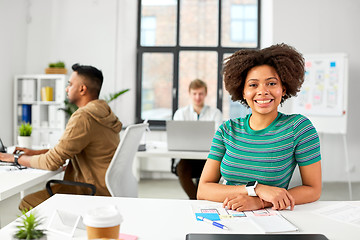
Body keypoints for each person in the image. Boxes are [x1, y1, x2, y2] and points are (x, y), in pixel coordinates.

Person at [197, 43, 322, 211]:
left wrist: (260, 203)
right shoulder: (227, 130)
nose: (262, 91)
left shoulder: (299, 128)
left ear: (283, 89)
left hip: (273, 217)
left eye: (271, 83)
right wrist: (255, 189)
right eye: (253, 85)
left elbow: (313, 189)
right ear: (243, 92)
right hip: (229, 214)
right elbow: (203, 189)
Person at [0, 63, 122, 210]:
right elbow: (67, 149)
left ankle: (56, 231)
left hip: (90, 190)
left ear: (82, 89)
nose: (66, 88)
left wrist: (14, 158)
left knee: (28, 202)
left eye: (70, 84)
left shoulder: (84, 117)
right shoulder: (103, 113)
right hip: (105, 187)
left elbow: (51, 162)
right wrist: (34, 153)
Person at [173, 79, 222, 199]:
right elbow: (177, 136)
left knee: (211, 173)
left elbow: (218, 138)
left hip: (208, 156)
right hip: (187, 156)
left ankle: (199, 198)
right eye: (194, 94)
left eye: (200, 93)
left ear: (205, 94)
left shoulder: (215, 113)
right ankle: (197, 199)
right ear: (189, 94)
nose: (197, 97)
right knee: (182, 168)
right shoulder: (180, 113)